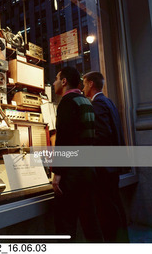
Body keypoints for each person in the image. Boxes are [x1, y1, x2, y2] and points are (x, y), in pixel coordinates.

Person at [52, 66, 103, 242]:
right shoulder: (86, 101)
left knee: (66, 225)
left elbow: (63, 139)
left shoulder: (67, 102)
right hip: (88, 171)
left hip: (72, 174)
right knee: (91, 222)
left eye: (57, 78)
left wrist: (57, 173)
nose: (54, 82)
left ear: (64, 81)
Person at [82, 71, 130, 242]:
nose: (83, 87)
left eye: (84, 83)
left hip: (104, 167)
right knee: (115, 204)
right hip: (113, 165)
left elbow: (102, 134)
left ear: (91, 84)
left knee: (107, 209)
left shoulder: (98, 104)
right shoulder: (108, 102)